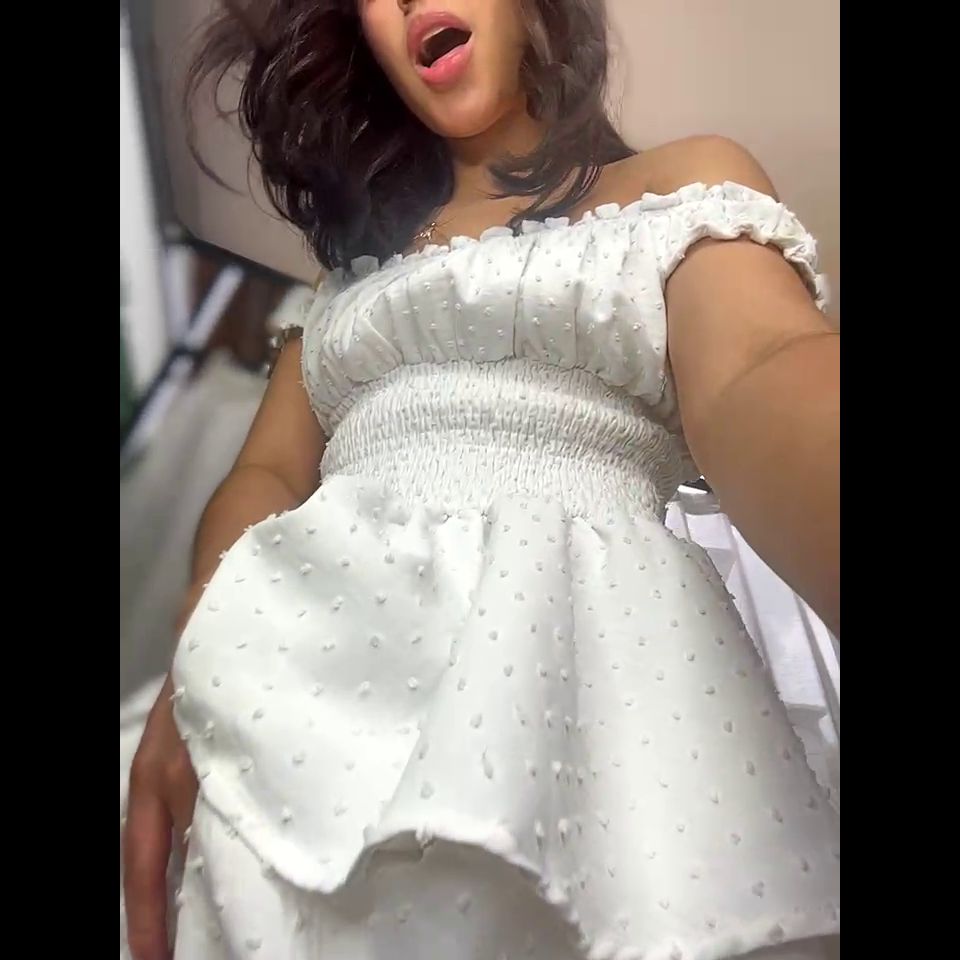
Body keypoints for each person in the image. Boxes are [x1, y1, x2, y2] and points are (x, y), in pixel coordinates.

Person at [123, 1, 840, 958]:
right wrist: (201, 659)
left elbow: (759, 364)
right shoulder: (344, 285)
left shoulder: (677, 186)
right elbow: (267, 471)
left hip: (589, 697)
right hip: (297, 704)